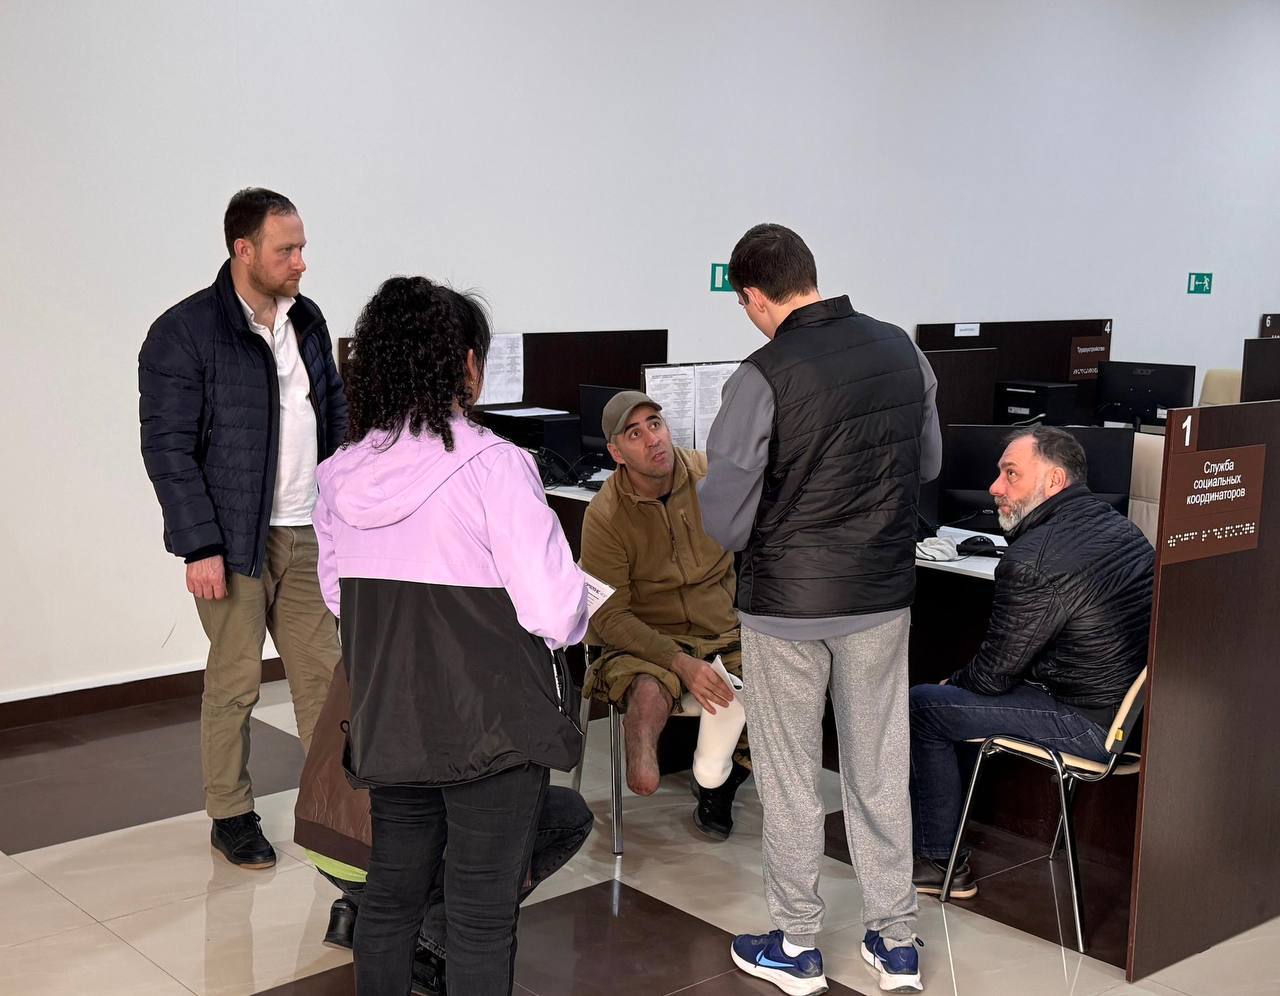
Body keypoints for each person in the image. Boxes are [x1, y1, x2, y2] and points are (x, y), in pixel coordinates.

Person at [313, 276, 588, 995]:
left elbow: (340, 600)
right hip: (492, 728)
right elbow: (555, 613)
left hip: (391, 720)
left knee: (391, 895)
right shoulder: (496, 468)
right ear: (466, 364)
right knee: (480, 916)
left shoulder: (338, 476)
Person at [702, 223, 940, 995]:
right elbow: (929, 462)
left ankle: (797, 945)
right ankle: (897, 943)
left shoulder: (760, 376)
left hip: (786, 610)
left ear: (753, 296)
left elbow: (724, 520)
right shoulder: (902, 350)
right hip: (880, 600)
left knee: (791, 779)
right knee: (879, 771)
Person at [138, 187, 346, 869]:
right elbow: (168, 449)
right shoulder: (184, 332)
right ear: (244, 250)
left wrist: (343, 510)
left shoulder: (307, 320)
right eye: (287, 250)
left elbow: (335, 416)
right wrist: (199, 544)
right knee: (236, 683)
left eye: (302, 247)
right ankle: (230, 813)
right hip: (232, 542)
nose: (301, 261)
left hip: (307, 529)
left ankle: (337, 807)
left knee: (325, 680)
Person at [909, 426, 1153, 898]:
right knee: (949, 701)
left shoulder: (1031, 560)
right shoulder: (1120, 527)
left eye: (1011, 474)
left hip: (1085, 723)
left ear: (1054, 481)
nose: (994, 487)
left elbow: (992, 675)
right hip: (1132, 720)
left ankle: (940, 862)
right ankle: (943, 839)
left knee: (925, 706)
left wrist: (951, 682)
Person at [293, 657, 595, 996]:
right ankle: (433, 935)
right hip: (475, 731)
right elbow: (554, 627)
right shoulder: (469, 662)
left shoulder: (379, 639)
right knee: (480, 915)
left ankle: (358, 909)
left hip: (329, 838)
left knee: (391, 904)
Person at [580, 391, 751, 839]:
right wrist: (679, 662)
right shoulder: (605, 514)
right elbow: (610, 616)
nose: (652, 439)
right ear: (617, 453)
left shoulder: (709, 476)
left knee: (787, 677)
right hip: (647, 639)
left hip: (722, 629)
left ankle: (722, 779)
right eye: (634, 434)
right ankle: (642, 749)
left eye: (654, 424)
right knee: (648, 688)